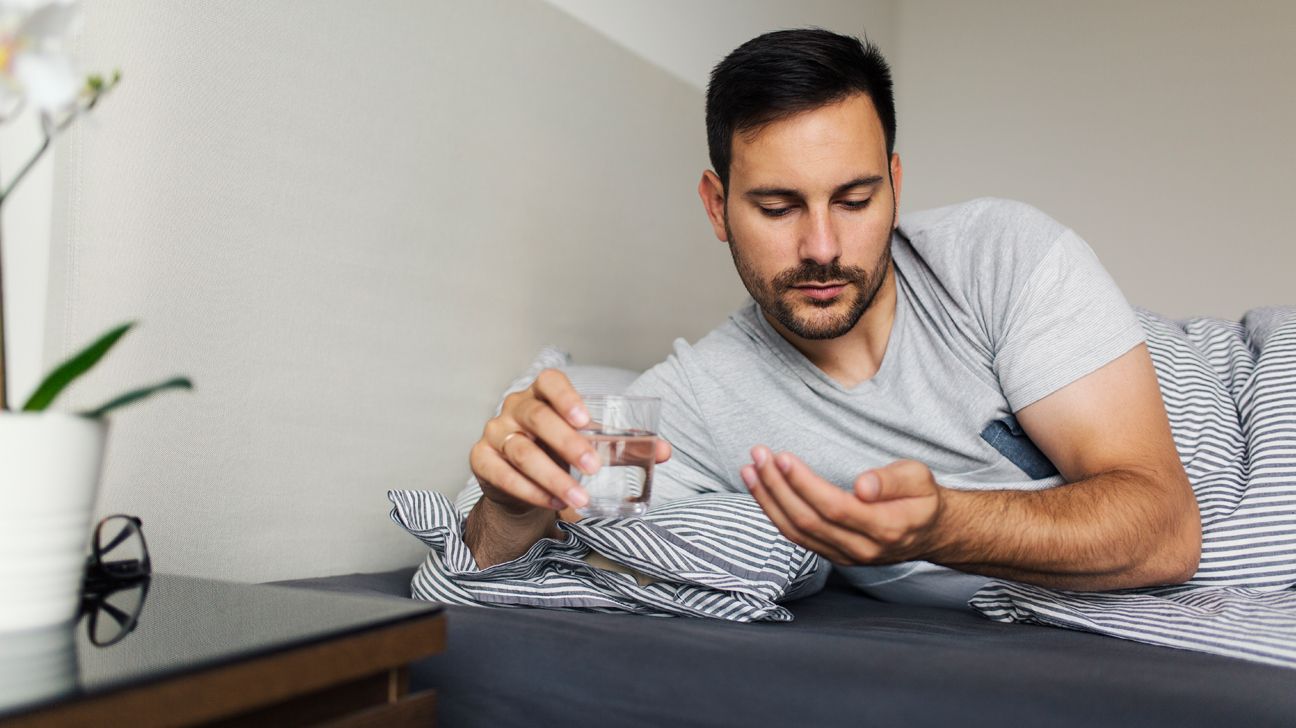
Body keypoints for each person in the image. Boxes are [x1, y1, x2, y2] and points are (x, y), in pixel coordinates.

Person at [462, 28, 1202, 608]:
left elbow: (1165, 527)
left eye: (854, 201)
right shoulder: (695, 403)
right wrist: (510, 510)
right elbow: (499, 564)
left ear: (896, 184)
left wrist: (945, 525)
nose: (822, 248)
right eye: (778, 207)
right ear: (717, 207)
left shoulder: (998, 255)